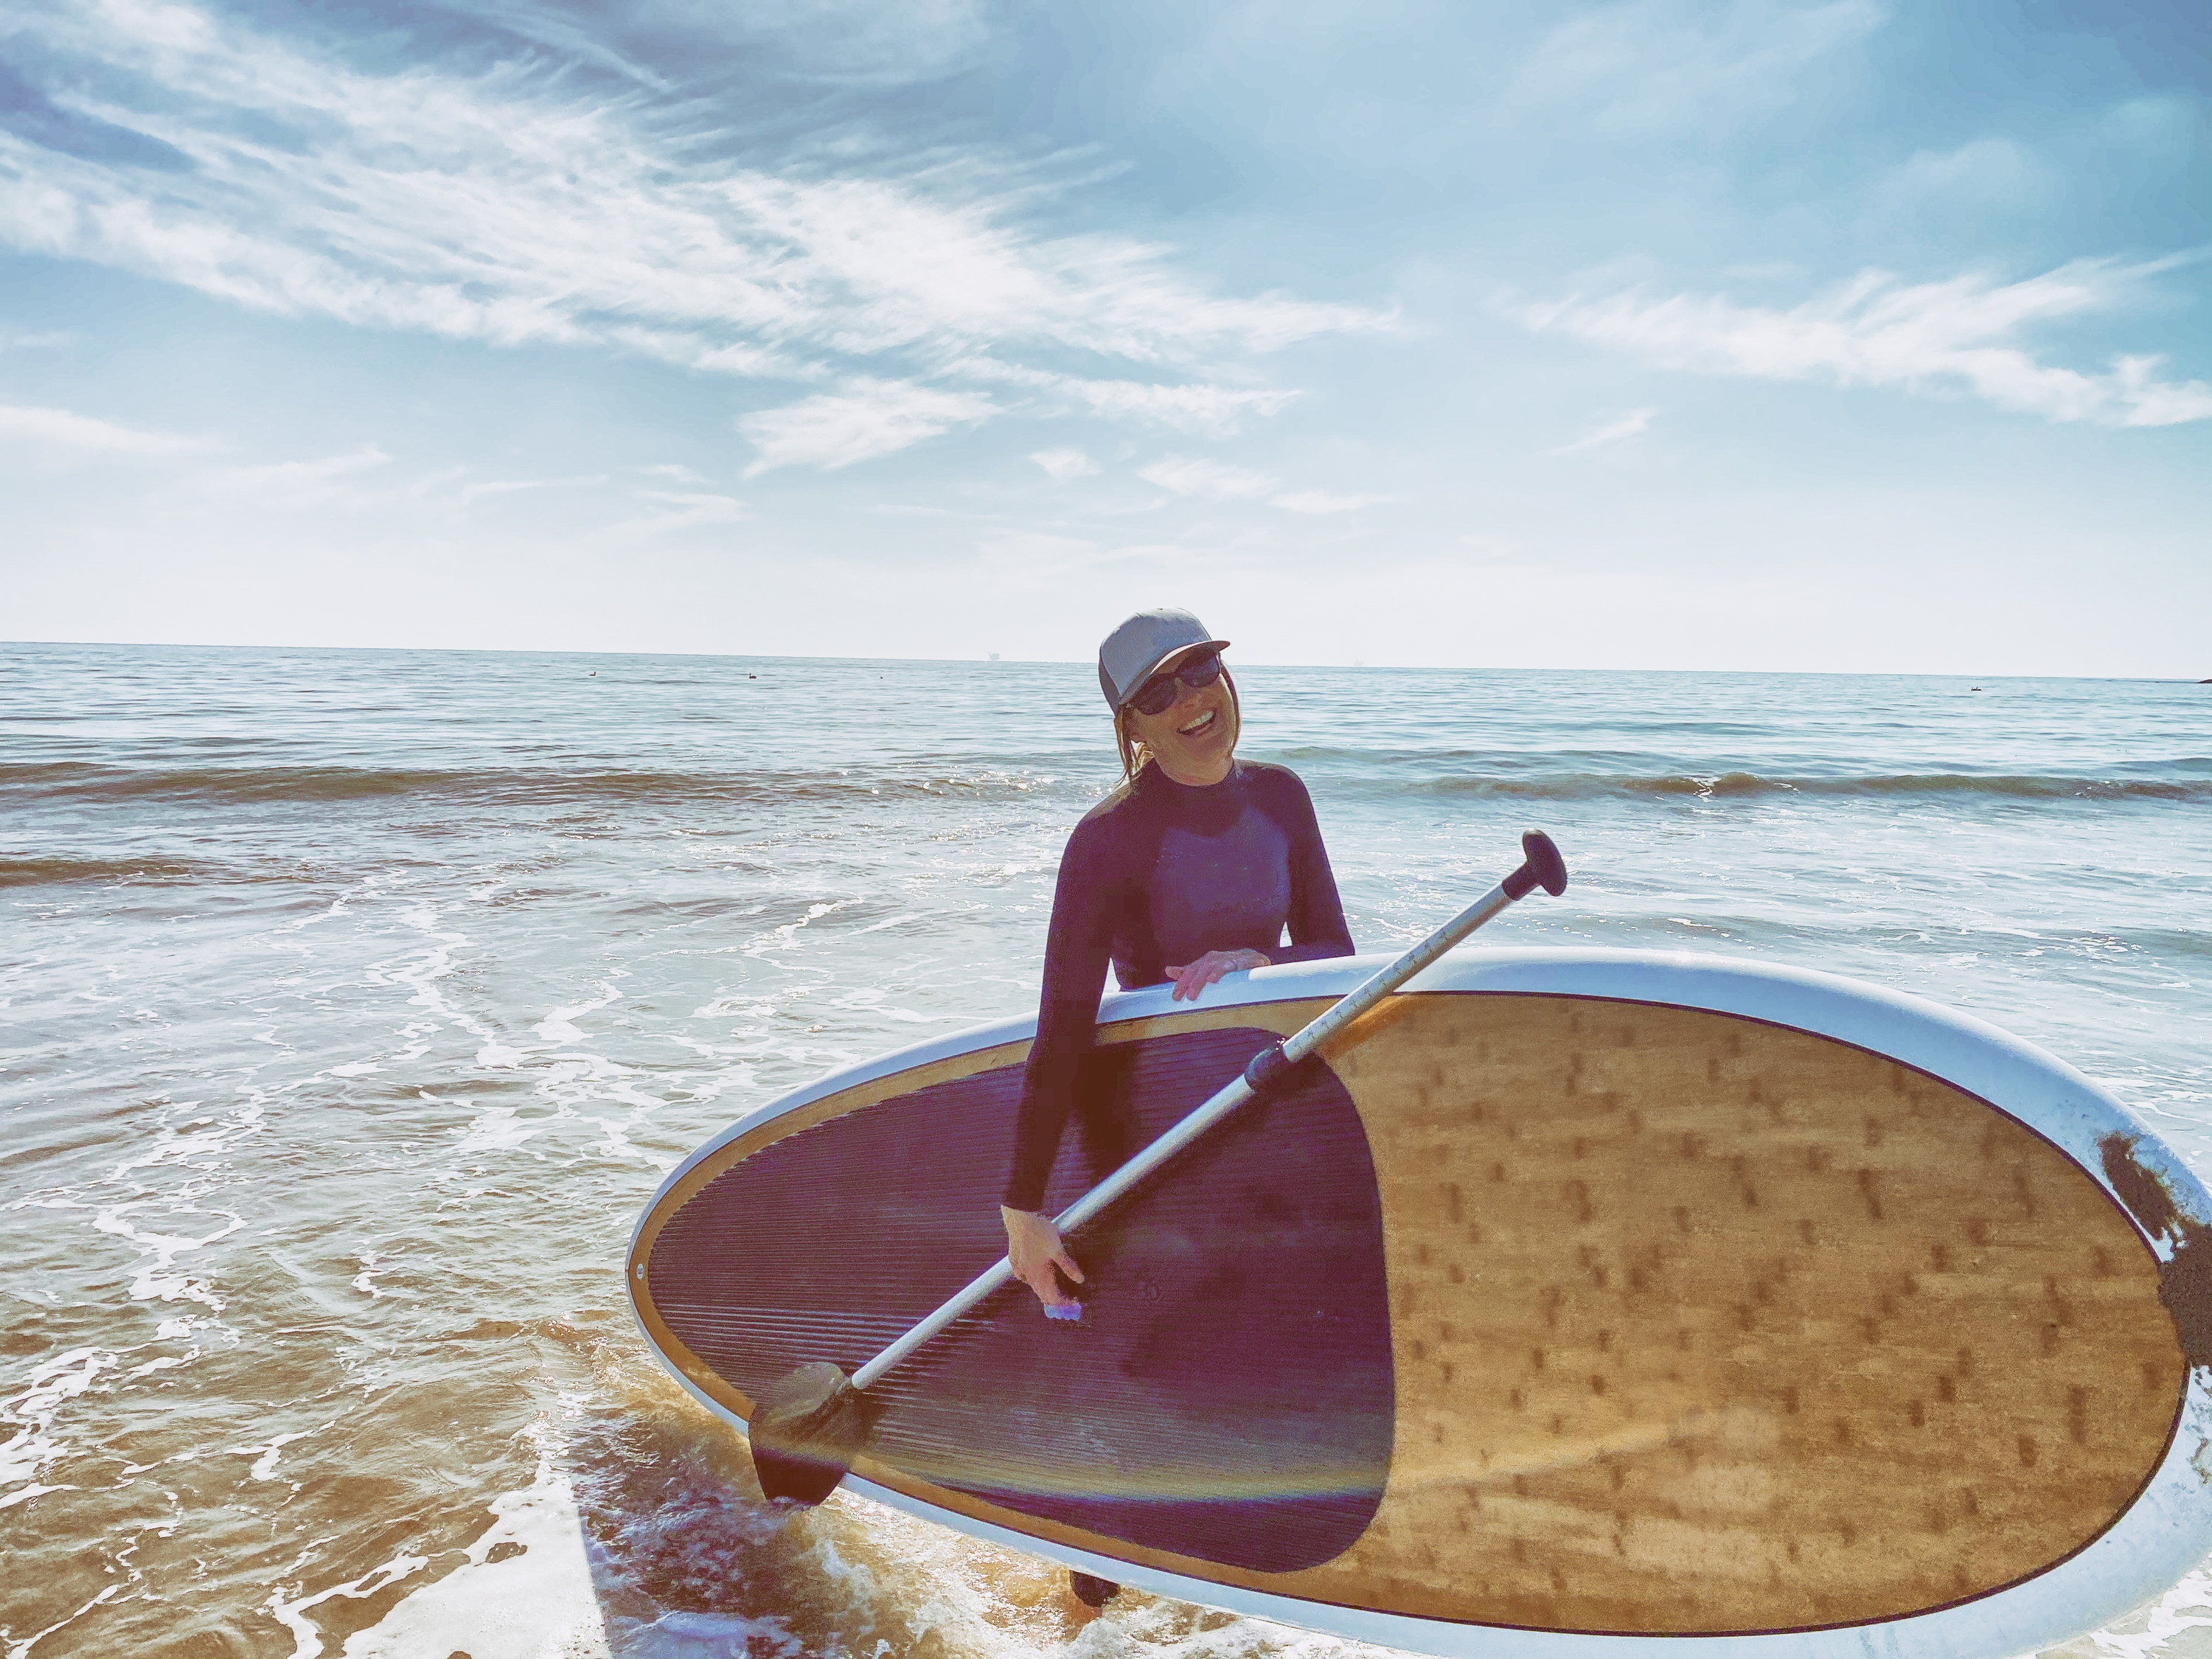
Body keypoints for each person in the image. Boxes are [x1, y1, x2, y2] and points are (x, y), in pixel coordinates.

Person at [998, 608, 1356, 1319]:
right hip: (1170, 1098)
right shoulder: (1107, 840)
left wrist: (1262, 961)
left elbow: (1336, 954)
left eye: (1199, 671)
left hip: (1275, 1074)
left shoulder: (1282, 795)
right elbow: (1065, 1024)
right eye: (1160, 694)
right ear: (1132, 727)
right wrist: (1024, 1210)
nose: (1192, 700)